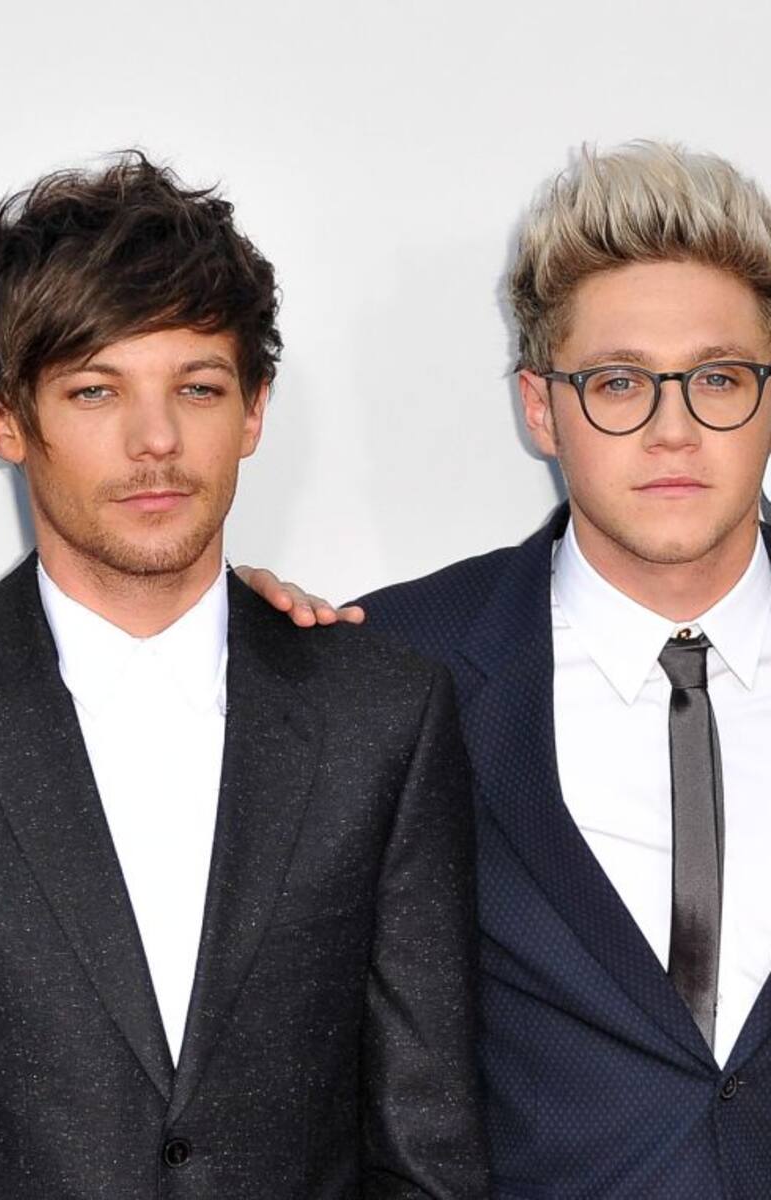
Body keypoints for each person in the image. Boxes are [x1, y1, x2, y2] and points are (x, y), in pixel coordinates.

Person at [0, 154, 488, 1199]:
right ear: (4, 417)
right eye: (95, 390)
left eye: (197, 388)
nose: (156, 441)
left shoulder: (383, 715)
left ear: (254, 410)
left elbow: (429, 1148)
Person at [245, 141, 771, 1199]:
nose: (673, 430)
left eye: (718, 378)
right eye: (618, 383)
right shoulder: (392, 667)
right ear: (540, 407)